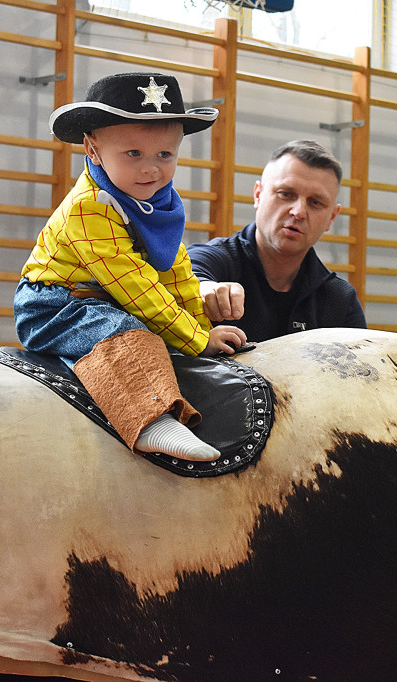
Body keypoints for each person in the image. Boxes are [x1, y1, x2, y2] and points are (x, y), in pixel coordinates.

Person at [13, 72, 246, 463]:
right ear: (93, 149)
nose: (150, 169)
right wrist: (196, 340)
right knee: (126, 335)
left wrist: (202, 328)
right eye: (133, 154)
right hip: (55, 305)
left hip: (106, 298)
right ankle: (151, 419)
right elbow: (136, 287)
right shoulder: (90, 207)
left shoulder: (158, 201)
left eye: (164, 155)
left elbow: (174, 269)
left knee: (136, 324)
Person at [186, 140, 366, 342]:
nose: (298, 212)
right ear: (258, 195)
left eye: (315, 202)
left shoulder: (340, 300)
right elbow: (189, 272)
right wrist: (204, 287)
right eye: (286, 194)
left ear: (332, 217)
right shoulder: (215, 260)